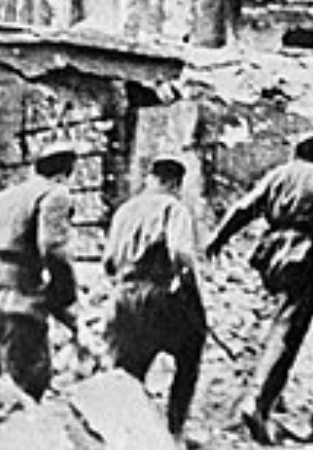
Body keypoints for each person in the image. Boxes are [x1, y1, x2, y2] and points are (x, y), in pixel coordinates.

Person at [203, 129, 313, 445]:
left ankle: (271, 398)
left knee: (278, 321)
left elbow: (244, 209)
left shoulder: (278, 174)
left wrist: (218, 238)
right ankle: (256, 402)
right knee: (289, 326)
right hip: (298, 249)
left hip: (270, 250)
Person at [103, 153, 207, 442]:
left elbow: (109, 261)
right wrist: (189, 289)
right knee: (190, 351)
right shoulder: (174, 208)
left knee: (127, 371)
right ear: (175, 183)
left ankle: (125, 436)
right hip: (158, 294)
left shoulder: (125, 210)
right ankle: (175, 431)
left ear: (151, 179)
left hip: (121, 296)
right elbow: (181, 253)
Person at [0, 139, 80, 401]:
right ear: (66, 171)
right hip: (21, 301)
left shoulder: (7, 196)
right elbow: (53, 248)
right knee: (27, 385)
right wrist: (64, 293)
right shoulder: (55, 193)